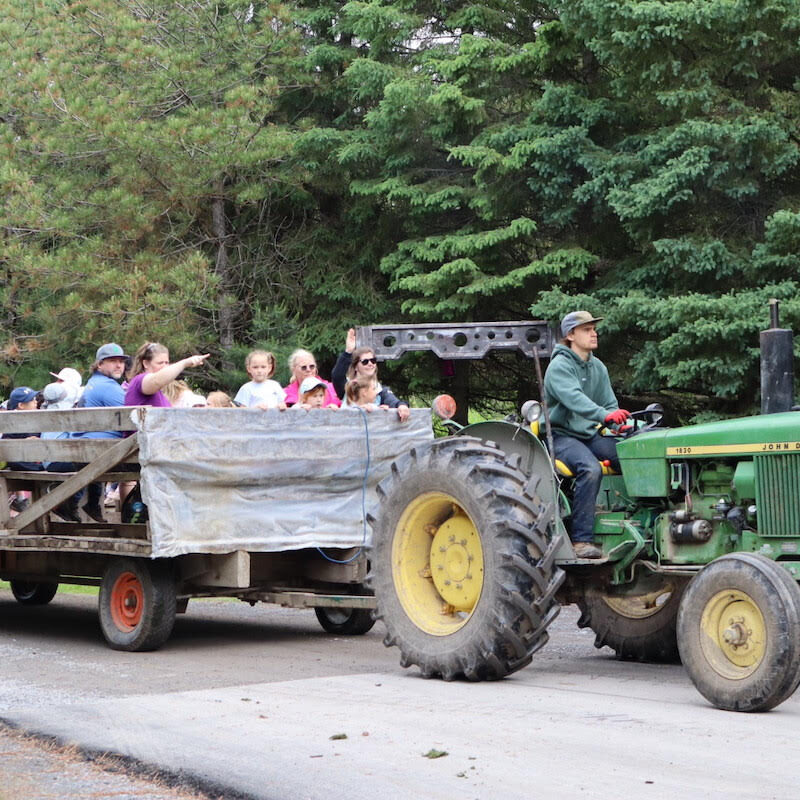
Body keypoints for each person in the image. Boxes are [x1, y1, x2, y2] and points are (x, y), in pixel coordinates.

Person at [543, 311, 630, 559]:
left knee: (629, 457)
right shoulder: (559, 367)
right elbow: (575, 400)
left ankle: (630, 520)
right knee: (589, 468)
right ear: (570, 335)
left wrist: (619, 425)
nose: (594, 333)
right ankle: (581, 539)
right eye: (586, 329)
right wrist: (604, 416)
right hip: (560, 436)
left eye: (594, 329)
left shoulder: (597, 366)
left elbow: (610, 404)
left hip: (590, 433)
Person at [70, 343, 130, 522]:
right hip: (99, 455)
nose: (119, 365)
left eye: (121, 361)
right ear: (99, 364)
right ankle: (139, 517)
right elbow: (132, 416)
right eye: (112, 361)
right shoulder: (108, 386)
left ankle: (89, 503)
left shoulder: (93, 383)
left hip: (86, 450)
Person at [331, 329, 410, 421]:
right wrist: (348, 351)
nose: (370, 364)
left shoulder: (380, 389)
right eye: (365, 361)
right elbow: (337, 376)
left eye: (373, 360)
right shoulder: (349, 386)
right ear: (355, 366)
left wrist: (402, 406)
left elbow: (393, 401)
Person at [124, 342, 210, 407]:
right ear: (146, 364)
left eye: (167, 363)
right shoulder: (139, 381)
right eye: (160, 363)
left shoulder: (159, 391)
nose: (165, 367)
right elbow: (156, 381)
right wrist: (185, 363)